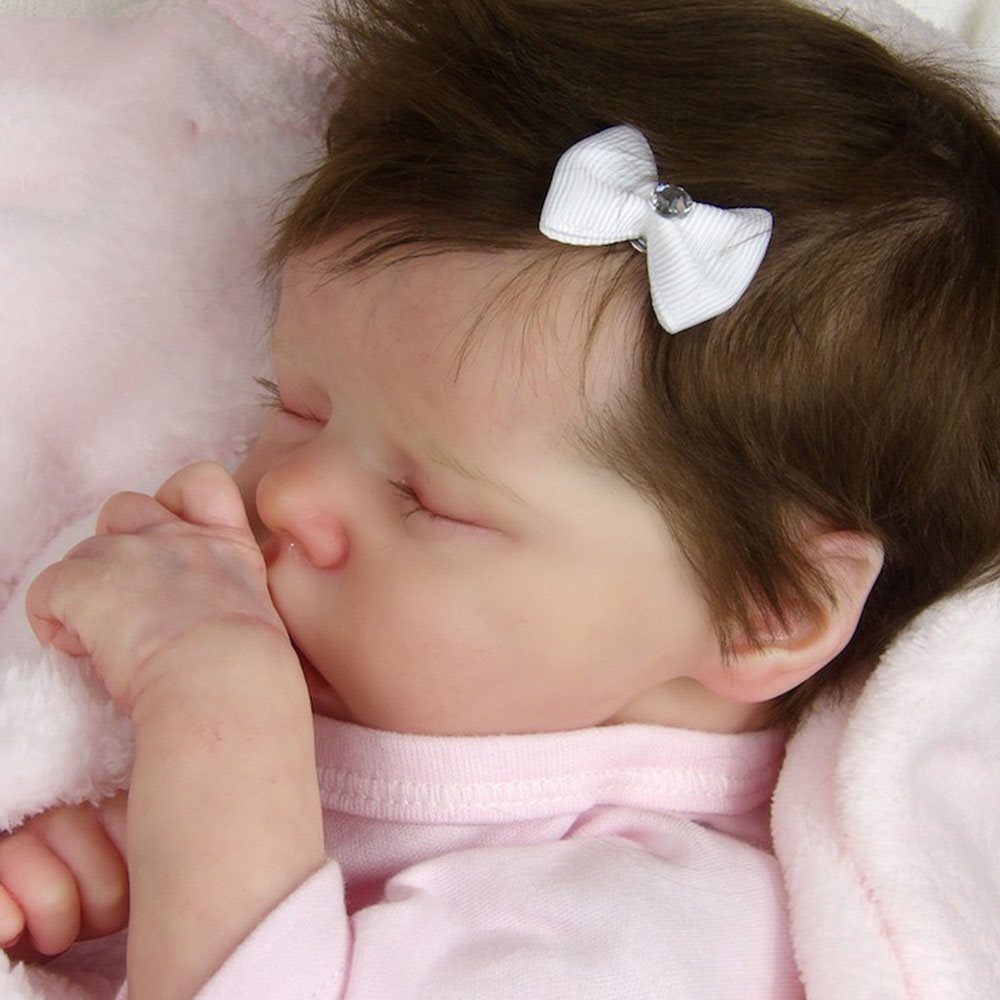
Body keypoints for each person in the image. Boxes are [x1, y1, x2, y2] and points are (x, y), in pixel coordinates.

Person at [1, 0, 999, 995]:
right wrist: (120, 871)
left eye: (429, 500)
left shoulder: (651, 930)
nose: (290, 491)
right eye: (296, 405)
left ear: (766, 606)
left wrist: (211, 704)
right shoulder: (414, 708)